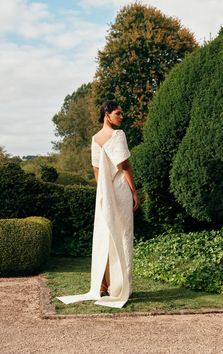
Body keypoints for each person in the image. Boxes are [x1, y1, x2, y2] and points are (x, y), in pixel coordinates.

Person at [57, 100, 139, 308]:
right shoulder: (118, 135)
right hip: (120, 189)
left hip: (104, 192)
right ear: (107, 115)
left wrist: (104, 190)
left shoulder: (95, 139)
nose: (122, 117)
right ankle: (120, 287)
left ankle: (103, 286)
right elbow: (125, 165)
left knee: (105, 234)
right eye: (118, 113)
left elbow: (96, 170)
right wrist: (134, 192)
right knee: (122, 235)